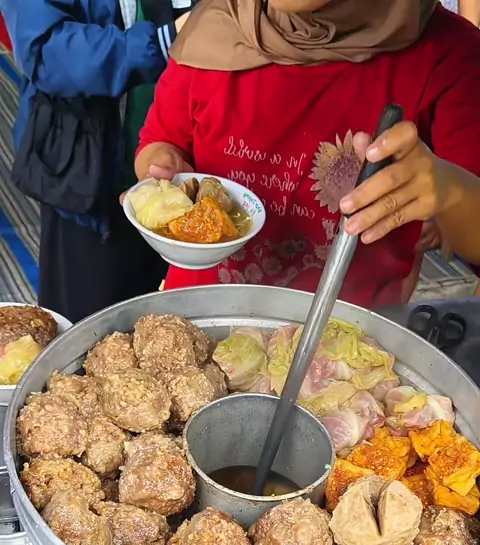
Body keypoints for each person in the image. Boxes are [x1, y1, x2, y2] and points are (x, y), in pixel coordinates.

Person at [134, 0, 480, 309]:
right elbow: (161, 142)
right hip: (195, 322)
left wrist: (447, 191)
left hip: (344, 343)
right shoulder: (213, 28)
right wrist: (160, 168)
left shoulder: (447, 55)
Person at [1, 0, 195, 323]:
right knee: (88, 329)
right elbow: (46, 51)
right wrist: (164, 41)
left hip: (186, 170)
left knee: (179, 323)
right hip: (88, 173)